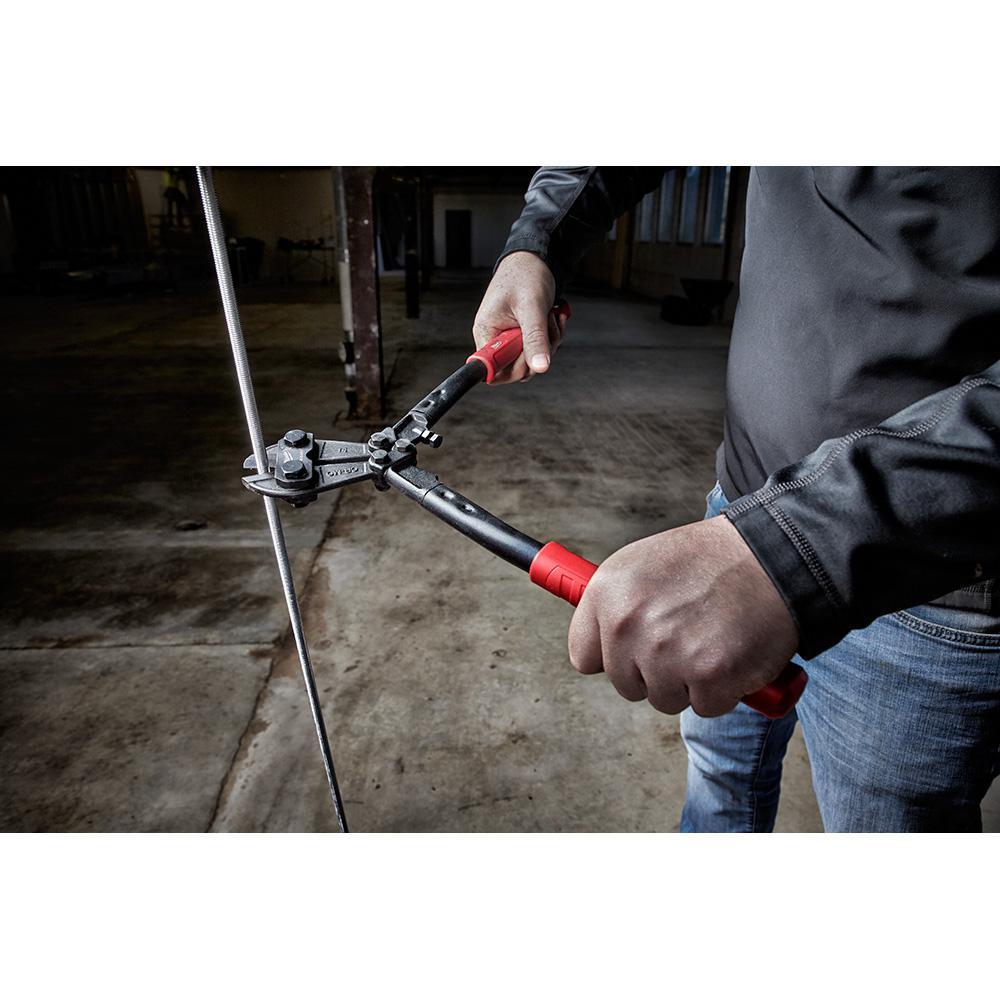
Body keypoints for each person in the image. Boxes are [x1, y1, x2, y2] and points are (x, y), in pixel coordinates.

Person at [472, 167, 1000, 833]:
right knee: (718, 781)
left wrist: (798, 549)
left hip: (924, 581)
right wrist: (538, 241)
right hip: (739, 510)